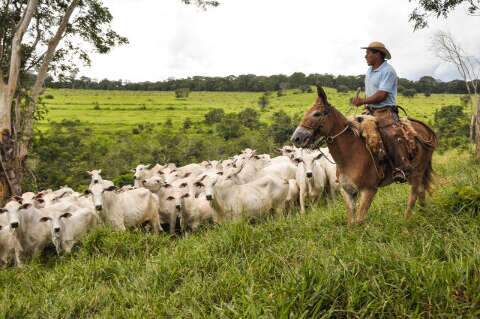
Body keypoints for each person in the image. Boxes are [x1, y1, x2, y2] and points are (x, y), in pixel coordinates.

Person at [351, 41, 412, 183]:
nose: (365, 56)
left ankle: (401, 168)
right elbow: (371, 93)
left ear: (377, 54)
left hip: (385, 111)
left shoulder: (388, 71)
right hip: (370, 110)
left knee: (390, 135)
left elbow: (382, 95)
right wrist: (365, 105)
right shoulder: (369, 71)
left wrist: (363, 101)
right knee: (350, 129)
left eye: (368, 53)